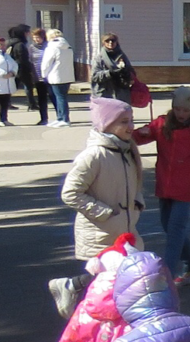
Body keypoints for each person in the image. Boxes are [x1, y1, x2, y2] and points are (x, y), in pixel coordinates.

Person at [55, 98, 147, 317]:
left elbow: (134, 185)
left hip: (125, 231)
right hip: (100, 233)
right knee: (110, 287)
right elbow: (70, 193)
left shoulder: (126, 151)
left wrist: (137, 203)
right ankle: (77, 300)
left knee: (117, 282)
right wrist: (105, 212)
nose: (131, 127)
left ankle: (73, 288)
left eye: (131, 120)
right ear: (107, 124)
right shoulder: (94, 155)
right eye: (124, 121)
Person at [135, 89, 190, 280]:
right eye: (177, 109)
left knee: (175, 230)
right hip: (164, 185)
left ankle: (166, 274)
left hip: (185, 187)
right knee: (167, 226)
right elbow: (141, 136)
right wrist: (141, 133)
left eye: (186, 110)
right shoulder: (162, 123)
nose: (181, 114)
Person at [39, 26, 74, 126]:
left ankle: (64, 119)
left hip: (56, 76)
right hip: (67, 76)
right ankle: (60, 118)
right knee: (62, 97)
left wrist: (43, 75)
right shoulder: (68, 47)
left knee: (60, 98)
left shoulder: (51, 48)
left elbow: (46, 63)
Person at [9, 24, 42, 125]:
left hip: (12, 68)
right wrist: (28, 67)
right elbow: (22, 58)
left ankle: (6, 103)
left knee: (11, 86)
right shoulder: (20, 44)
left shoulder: (10, 42)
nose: (28, 34)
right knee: (28, 86)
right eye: (27, 32)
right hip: (21, 69)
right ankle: (32, 104)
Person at [91, 33, 136, 102]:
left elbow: (131, 72)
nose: (110, 43)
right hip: (105, 95)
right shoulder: (99, 58)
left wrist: (127, 74)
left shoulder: (122, 56)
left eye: (113, 40)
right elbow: (94, 76)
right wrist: (110, 73)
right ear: (103, 43)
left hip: (122, 95)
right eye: (107, 41)